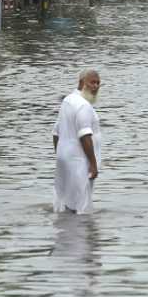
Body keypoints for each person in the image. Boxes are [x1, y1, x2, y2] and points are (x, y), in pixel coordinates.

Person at [53, 69, 102, 213]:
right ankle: (79, 233)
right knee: (82, 208)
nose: (96, 86)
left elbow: (56, 132)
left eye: (98, 83)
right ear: (82, 82)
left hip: (66, 160)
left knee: (65, 203)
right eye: (92, 82)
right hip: (80, 162)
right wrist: (93, 165)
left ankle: (65, 232)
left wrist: (60, 155)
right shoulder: (83, 106)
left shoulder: (68, 101)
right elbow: (85, 136)